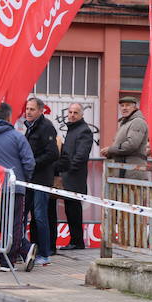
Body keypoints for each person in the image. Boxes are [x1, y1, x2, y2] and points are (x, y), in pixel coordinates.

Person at [0, 101, 36, 270]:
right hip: (14, 188)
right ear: (9, 117)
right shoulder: (18, 136)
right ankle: (9, 260)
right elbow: (29, 162)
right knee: (15, 223)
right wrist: (25, 179)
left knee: (1, 224)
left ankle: (23, 250)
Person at [24, 97, 59, 266]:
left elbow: (53, 153)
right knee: (23, 215)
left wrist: (33, 163)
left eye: (32, 109)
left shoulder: (46, 127)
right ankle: (25, 249)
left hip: (41, 179)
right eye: (27, 109)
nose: (28, 112)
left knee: (40, 216)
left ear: (40, 111)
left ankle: (45, 254)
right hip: (29, 179)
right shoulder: (29, 127)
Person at [59, 103, 94, 250]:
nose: (72, 115)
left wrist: (68, 170)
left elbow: (80, 156)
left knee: (74, 210)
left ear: (81, 115)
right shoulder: (73, 129)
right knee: (70, 209)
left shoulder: (84, 131)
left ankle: (77, 241)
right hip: (69, 176)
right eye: (70, 112)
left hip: (75, 177)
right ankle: (75, 241)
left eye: (75, 113)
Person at [101, 95, 149, 179]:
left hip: (132, 173)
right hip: (125, 171)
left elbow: (132, 145)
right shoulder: (125, 123)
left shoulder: (137, 122)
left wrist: (110, 150)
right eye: (122, 106)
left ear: (135, 107)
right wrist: (110, 153)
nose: (124, 108)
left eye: (128, 105)